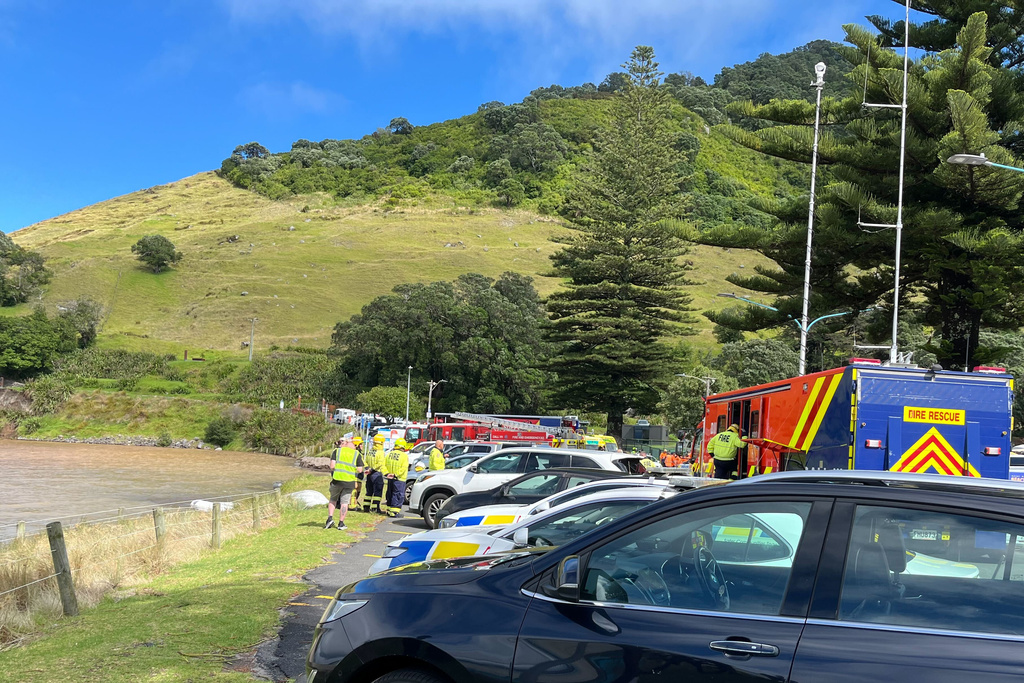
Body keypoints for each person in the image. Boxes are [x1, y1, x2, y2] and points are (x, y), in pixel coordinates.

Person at [325, 435, 363, 530]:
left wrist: (339, 468)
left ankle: (330, 518)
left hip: (337, 480)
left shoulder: (337, 451)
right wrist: (351, 468)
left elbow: (332, 466)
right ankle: (341, 523)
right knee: (344, 502)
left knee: (333, 499)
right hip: (349, 481)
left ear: (345, 444)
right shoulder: (356, 454)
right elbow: (360, 470)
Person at [383, 441, 409, 518]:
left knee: (390, 493)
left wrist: (387, 474)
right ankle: (394, 512)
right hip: (399, 478)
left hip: (390, 478)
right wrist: (396, 475)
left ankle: (389, 510)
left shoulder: (389, 454)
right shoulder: (404, 456)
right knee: (398, 495)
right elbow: (403, 468)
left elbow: (383, 465)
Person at [363, 434, 387, 514]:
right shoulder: (380, 453)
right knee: (377, 492)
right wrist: (372, 470)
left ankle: (366, 507)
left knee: (369, 492)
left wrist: (367, 469)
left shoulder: (370, 451)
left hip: (369, 475)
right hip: (376, 473)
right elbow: (379, 464)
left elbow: (365, 461)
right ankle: (375, 508)